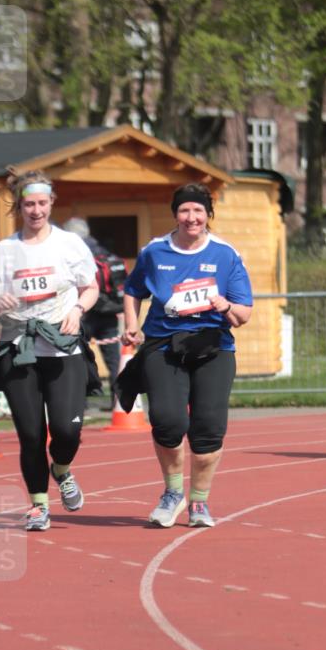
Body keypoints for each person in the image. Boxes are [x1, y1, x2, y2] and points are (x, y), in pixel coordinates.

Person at [122, 182, 253, 528]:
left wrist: (225, 306)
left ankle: (199, 501)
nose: (191, 217)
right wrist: (132, 324)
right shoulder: (154, 252)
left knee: (208, 429)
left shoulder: (225, 254)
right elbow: (133, 290)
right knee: (168, 421)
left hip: (213, 347)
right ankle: (172, 493)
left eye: (198, 211)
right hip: (164, 346)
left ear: (208, 215)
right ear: (175, 214)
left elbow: (243, 314)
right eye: (184, 210)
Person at [0, 169, 99, 532]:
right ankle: (38, 505)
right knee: (31, 434)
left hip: (62, 349)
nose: (36, 211)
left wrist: (77, 310)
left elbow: (90, 287)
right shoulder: (5, 250)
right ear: (19, 207)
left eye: (42, 203)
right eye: (29, 204)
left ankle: (61, 469)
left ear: (51, 203)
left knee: (66, 430)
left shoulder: (69, 244)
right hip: (19, 350)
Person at [63, 217, 126, 409]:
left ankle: (80, 404)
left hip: (84, 313)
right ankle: (118, 402)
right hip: (109, 314)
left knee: (78, 359)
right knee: (114, 361)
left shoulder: (74, 251)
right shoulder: (104, 251)